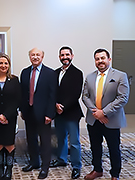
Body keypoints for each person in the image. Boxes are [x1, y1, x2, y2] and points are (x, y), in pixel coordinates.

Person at [82, 48, 130, 180]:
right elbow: (85, 96)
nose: (100, 61)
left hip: (111, 120)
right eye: (97, 59)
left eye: (102, 58)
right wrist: (96, 112)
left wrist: (103, 112)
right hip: (93, 119)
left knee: (114, 148)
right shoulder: (90, 76)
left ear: (109, 59)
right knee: (95, 147)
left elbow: (122, 98)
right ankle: (97, 170)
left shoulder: (120, 76)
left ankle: (115, 174)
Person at [20, 47, 57, 179]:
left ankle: (44, 167)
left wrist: (50, 114)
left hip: (44, 114)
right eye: (32, 55)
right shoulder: (24, 72)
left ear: (42, 57)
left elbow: (52, 95)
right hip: (28, 112)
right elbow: (23, 93)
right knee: (31, 140)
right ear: (29, 56)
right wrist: (22, 110)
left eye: (38, 55)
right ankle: (34, 162)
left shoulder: (50, 73)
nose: (35, 57)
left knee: (45, 141)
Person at [49, 46, 84, 179]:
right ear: (59, 57)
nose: (65, 57)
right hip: (58, 113)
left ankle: (76, 166)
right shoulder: (55, 72)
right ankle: (62, 160)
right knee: (61, 138)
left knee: (74, 142)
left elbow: (76, 93)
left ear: (72, 56)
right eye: (62, 55)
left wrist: (63, 106)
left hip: (71, 112)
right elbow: (53, 91)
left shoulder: (77, 73)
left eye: (67, 55)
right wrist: (55, 105)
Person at [0, 53, 21, 180]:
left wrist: (6, 115)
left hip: (10, 118)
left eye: (6, 63)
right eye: (1, 63)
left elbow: (17, 99)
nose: (3, 65)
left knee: (9, 143)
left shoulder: (15, 80)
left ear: (9, 65)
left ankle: (9, 170)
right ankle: (0, 169)